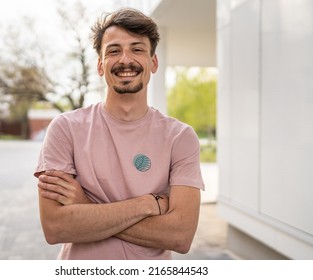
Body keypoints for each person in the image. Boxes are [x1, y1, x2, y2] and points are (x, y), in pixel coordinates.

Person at [34, 7, 205, 260]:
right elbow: (56, 227)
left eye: (137, 49)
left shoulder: (180, 137)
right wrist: (147, 204)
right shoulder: (66, 128)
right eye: (114, 51)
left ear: (153, 62)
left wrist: (86, 208)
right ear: (101, 65)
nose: (126, 59)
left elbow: (180, 235)